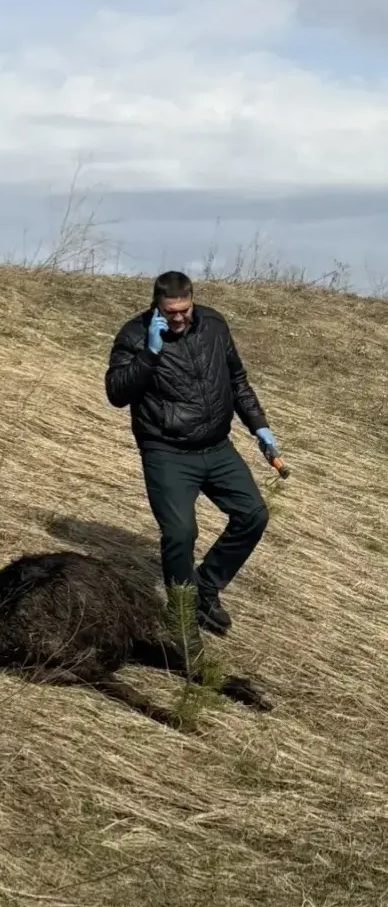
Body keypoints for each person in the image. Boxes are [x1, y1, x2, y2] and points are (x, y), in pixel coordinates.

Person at [105, 270, 281, 635]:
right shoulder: (135, 336)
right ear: (157, 307)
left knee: (253, 515)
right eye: (171, 312)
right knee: (181, 532)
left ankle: (205, 588)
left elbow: (236, 379)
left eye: (184, 309)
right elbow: (117, 393)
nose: (180, 317)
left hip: (216, 446)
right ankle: (182, 614)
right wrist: (151, 353)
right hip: (166, 451)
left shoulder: (214, 325)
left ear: (192, 300)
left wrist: (258, 425)